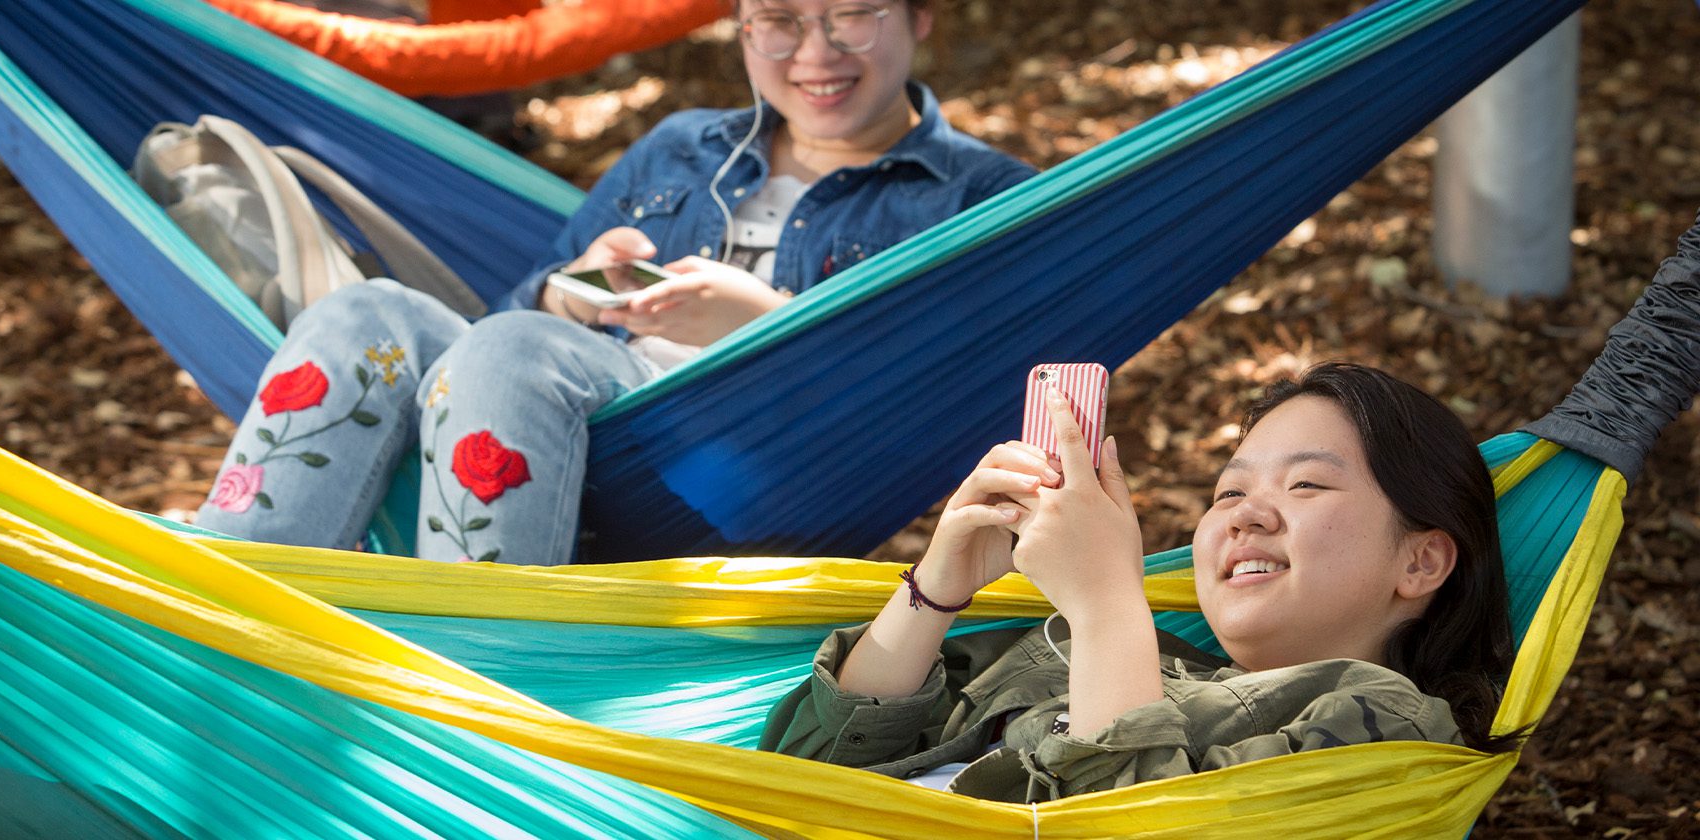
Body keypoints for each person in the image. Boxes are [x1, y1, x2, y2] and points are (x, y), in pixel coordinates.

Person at [193, 0, 1037, 565]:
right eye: (777, 20)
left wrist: (763, 324)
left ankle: (476, 656)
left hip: (738, 467)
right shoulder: (681, 148)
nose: (815, 54)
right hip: (560, 406)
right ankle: (214, 609)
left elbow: (958, 404)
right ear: (742, 28)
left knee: (516, 351)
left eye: (852, 16)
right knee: (364, 311)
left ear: (921, 17)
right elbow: (512, 316)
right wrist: (569, 291)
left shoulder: (981, 197)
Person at [758, 363, 1521, 800]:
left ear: (1420, 561)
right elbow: (803, 773)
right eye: (1228, 494)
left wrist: (1103, 605)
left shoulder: (1391, 725)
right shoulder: (1090, 653)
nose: (1246, 516)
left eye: (1307, 487)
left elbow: (1132, 823)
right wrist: (937, 588)